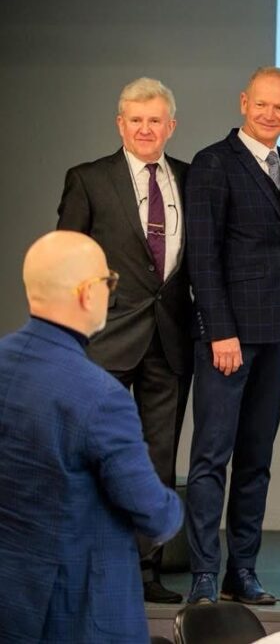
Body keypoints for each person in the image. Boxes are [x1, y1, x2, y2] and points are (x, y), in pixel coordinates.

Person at [0, 231, 183, 642]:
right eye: (108, 281)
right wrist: (176, 510)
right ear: (86, 293)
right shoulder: (100, 396)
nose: (110, 291)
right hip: (83, 614)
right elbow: (153, 513)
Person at [55, 76, 192, 604]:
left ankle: (144, 571)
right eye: (136, 120)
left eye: (155, 120)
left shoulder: (189, 178)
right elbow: (66, 259)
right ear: (120, 124)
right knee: (93, 458)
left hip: (170, 341)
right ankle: (88, 567)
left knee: (157, 461)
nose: (145, 129)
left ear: (170, 126)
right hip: (104, 340)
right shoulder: (89, 179)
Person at [184, 66, 280, 604]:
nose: (270, 114)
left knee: (256, 461)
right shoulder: (213, 163)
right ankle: (203, 574)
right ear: (243, 103)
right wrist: (220, 331)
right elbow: (203, 254)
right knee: (212, 458)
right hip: (229, 339)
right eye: (261, 104)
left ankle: (242, 570)